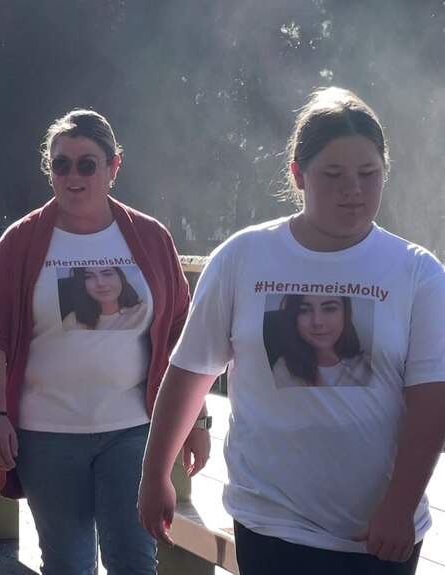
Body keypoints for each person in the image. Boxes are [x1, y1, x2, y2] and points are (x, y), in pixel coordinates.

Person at [138, 88, 445, 575]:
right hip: (269, 525)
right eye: (334, 175)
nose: (355, 190)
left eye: (369, 174)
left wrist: (400, 505)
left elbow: (432, 398)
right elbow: (190, 371)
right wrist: (154, 473)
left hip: (378, 535)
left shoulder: (417, 272)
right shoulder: (242, 257)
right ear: (297, 175)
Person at [0, 109, 204, 575]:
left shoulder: (151, 238)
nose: (73, 176)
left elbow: (183, 334)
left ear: (113, 167)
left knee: (134, 561)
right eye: (61, 164)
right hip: (47, 434)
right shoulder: (21, 241)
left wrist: (197, 420)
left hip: (134, 430)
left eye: (87, 164)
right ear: (50, 169)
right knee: (68, 563)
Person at [270, 294, 372, 388]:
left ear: (345, 314)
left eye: (329, 309)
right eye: (304, 310)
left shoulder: (370, 366)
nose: (317, 322)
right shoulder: (285, 370)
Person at [61, 265, 147, 330]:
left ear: (121, 278)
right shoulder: (73, 321)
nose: (100, 283)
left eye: (107, 274)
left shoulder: (144, 312)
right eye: (88, 277)